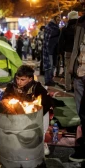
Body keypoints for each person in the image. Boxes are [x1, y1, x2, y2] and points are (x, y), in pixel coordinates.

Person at [0, 65, 53, 156]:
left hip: (33, 117)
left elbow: (47, 102)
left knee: (45, 111)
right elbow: (4, 101)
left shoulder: (37, 87)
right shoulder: (11, 87)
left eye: (22, 79)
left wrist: (33, 111)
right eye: (17, 79)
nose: (19, 82)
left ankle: (41, 142)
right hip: (16, 118)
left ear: (30, 79)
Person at [68, 0, 85, 162]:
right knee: (82, 112)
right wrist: (71, 67)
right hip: (80, 72)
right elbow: (76, 47)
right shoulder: (81, 22)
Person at [58, 11, 78, 92]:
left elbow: (61, 41)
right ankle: (76, 86)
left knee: (67, 69)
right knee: (77, 69)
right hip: (78, 51)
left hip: (68, 51)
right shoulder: (80, 27)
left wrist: (60, 51)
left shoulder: (65, 28)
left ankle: (68, 87)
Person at [43, 16, 60, 86]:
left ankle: (50, 79)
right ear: (55, 19)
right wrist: (58, 31)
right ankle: (47, 80)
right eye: (58, 19)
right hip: (49, 49)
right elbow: (48, 37)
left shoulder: (56, 27)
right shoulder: (49, 27)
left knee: (53, 65)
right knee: (49, 65)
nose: (59, 20)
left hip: (54, 49)